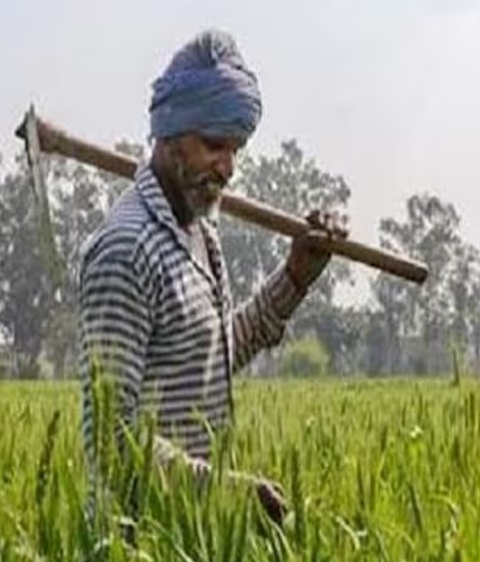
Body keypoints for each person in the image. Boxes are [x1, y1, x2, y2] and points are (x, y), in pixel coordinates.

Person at [77, 29, 348, 525]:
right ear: (170, 133)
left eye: (236, 149)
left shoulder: (199, 232)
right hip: (133, 556)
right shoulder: (126, 251)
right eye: (214, 145)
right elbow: (112, 439)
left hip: (195, 536)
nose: (227, 167)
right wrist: (226, 492)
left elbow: (212, 357)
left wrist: (296, 277)